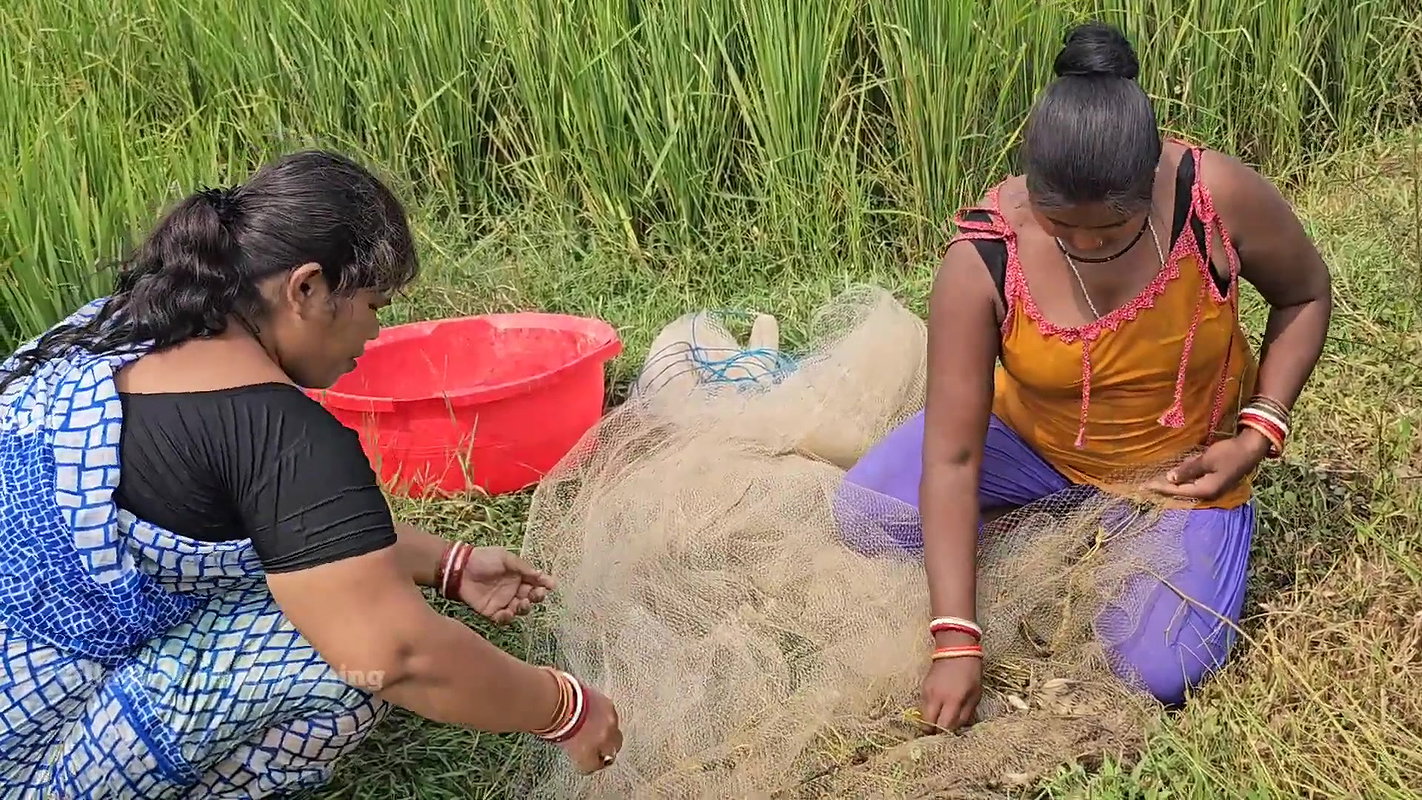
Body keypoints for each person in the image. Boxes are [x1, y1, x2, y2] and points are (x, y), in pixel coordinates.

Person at [0, 151, 623, 797]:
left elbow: (263, 531)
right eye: (374, 304)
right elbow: (395, 657)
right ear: (306, 289)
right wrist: (564, 708)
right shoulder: (275, 433)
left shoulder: (123, 324)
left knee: (315, 596)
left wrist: (449, 562)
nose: (376, 333)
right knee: (333, 665)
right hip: (17, 748)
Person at [840, 22, 1332, 732]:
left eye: (1113, 229)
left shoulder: (1211, 198)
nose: (1087, 246)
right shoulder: (983, 257)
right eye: (1062, 226)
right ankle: (1075, 508)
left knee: (1158, 669)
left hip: (1183, 471)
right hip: (1035, 447)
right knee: (866, 513)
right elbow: (953, 457)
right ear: (1029, 190)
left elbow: (1306, 295)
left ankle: (1143, 522)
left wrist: (1256, 435)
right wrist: (956, 637)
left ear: (1154, 176)